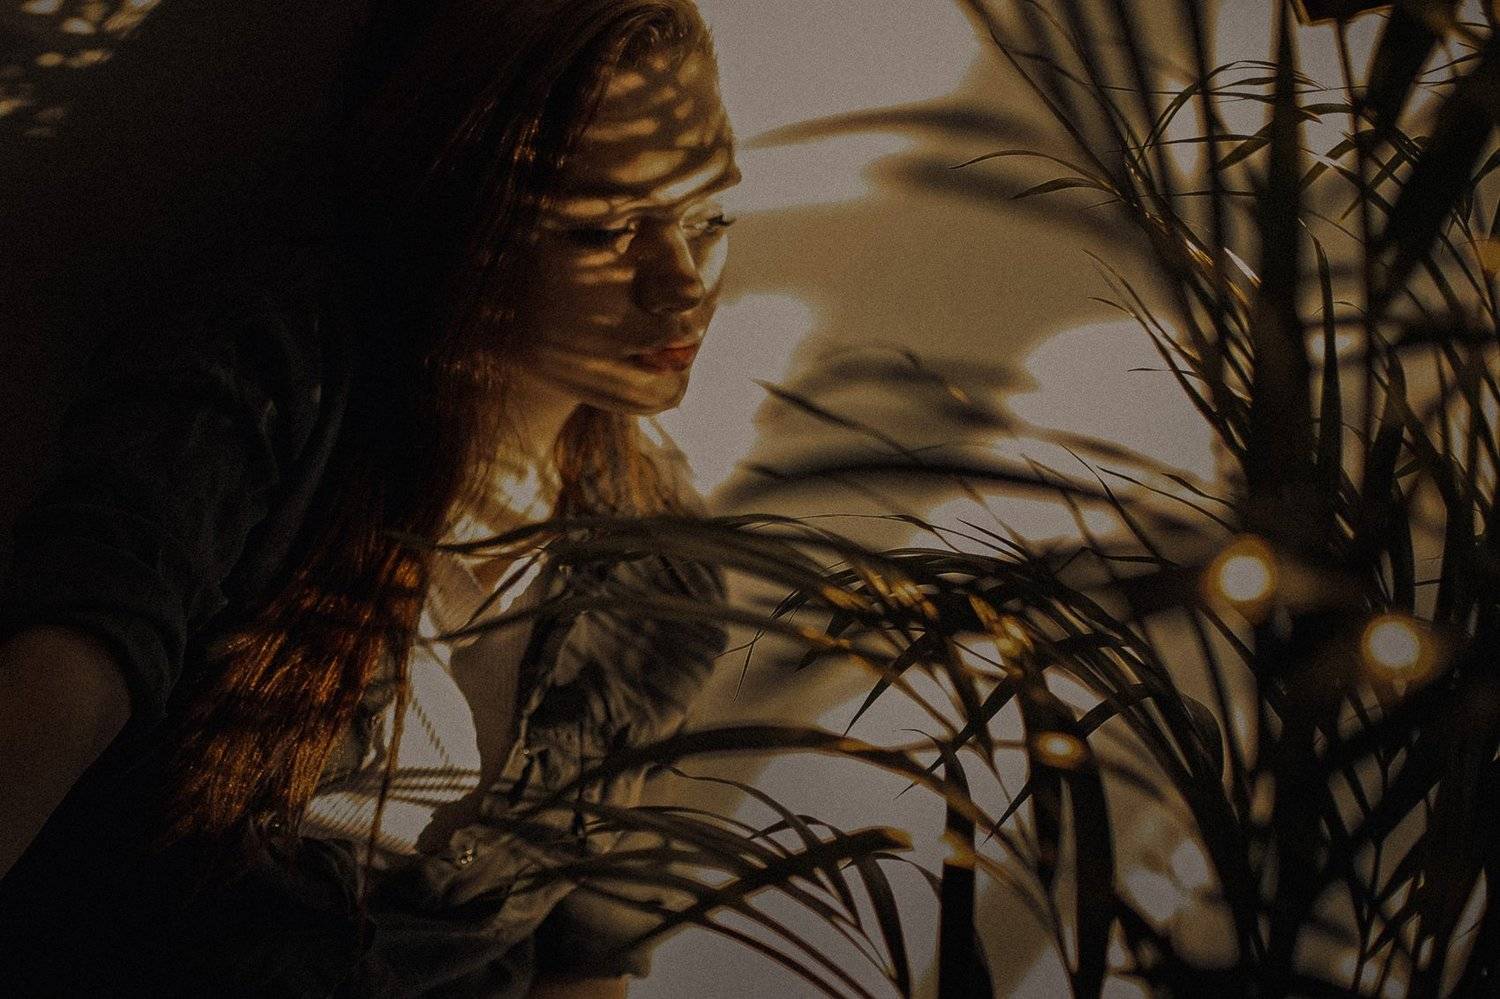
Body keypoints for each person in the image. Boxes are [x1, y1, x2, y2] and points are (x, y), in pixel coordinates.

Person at [0, 0, 737, 994]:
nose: (682, 284)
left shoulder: (667, 574)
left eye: (711, 215)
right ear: (466, 216)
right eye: (603, 230)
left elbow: (584, 957)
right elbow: (72, 670)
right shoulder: (282, 370)